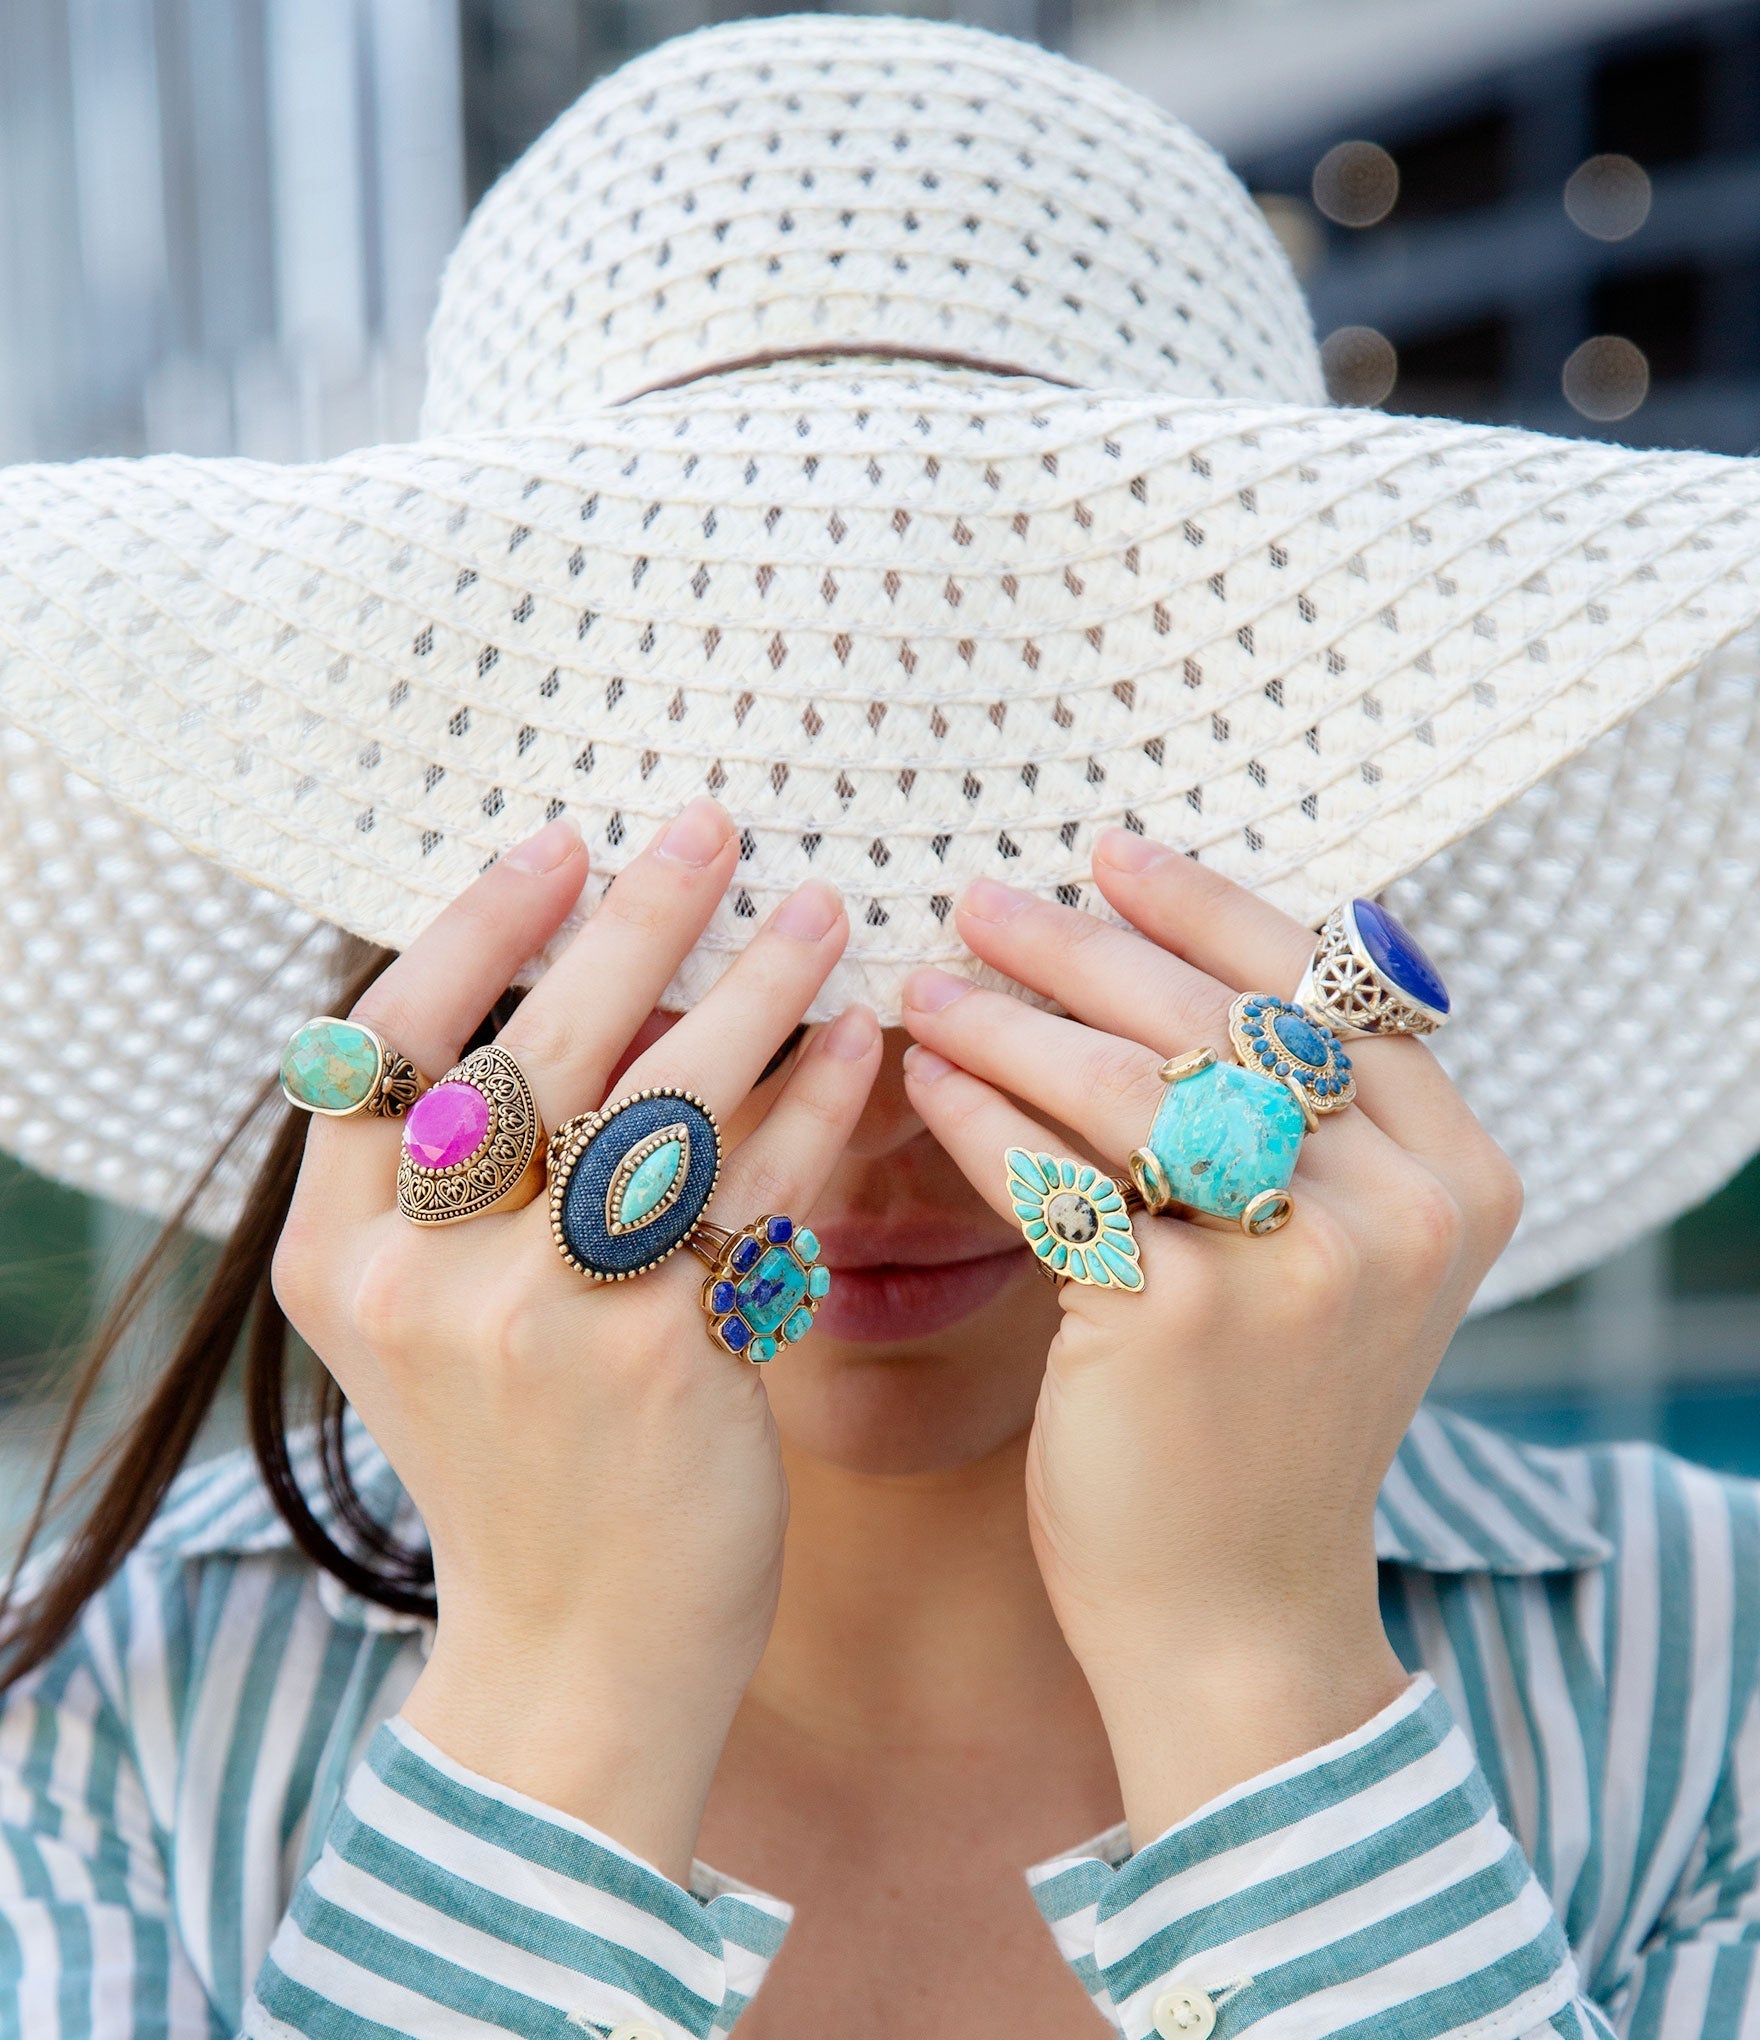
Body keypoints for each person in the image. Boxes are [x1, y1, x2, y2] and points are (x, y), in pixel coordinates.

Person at [1, 15, 1759, 2038]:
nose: (875, 1131)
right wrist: (558, 1701)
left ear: (1272, 952)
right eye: (721, 953)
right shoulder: (104, 1717)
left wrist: (1255, 1677)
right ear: (469, 977)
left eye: (1015, 946)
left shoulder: (1709, 1669)